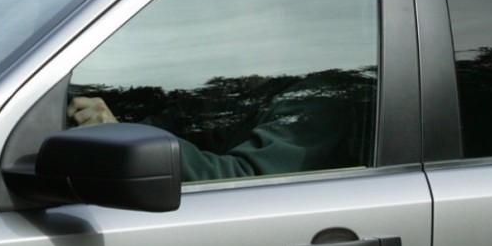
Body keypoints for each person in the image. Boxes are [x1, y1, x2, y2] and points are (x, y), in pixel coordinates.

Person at [66, 84, 362, 183]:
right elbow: (171, 121)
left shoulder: (317, 101)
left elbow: (245, 180)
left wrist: (123, 135)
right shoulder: (238, 90)